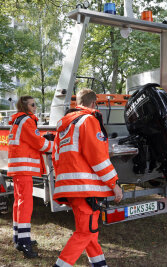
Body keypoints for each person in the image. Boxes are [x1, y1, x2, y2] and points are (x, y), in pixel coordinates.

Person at [52, 89, 123, 267]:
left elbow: (56, 157)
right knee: (85, 232)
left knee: (89, 231)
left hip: (71, 187)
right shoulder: (89, 120)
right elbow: (98, 157)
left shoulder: (64, 127)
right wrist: (114, 184)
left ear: (77, 104)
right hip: (86, 188)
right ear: (94, 104)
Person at [7, 96, 53, 258]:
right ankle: (25, 243)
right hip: (23, 169)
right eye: (33, 105)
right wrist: (55, 146)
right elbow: (38, 143)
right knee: (25, 204)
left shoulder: (18, 121)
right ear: (25, 107)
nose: (35, 107)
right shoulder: (26, 120)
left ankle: (18, 238)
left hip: (18, 169)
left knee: (19, 203)